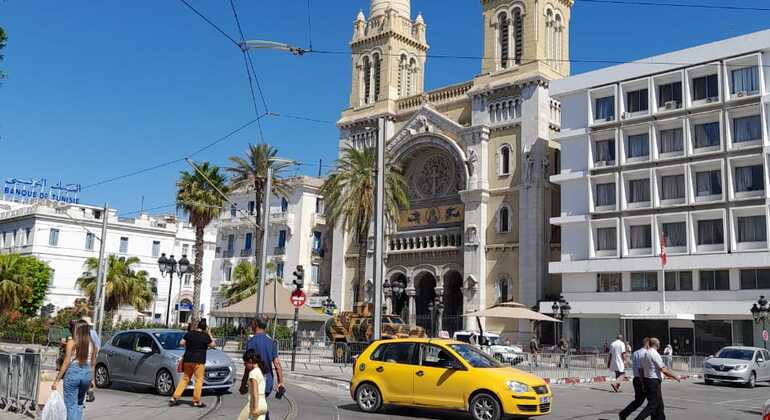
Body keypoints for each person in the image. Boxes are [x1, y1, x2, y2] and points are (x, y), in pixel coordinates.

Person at [51, 320, 96, 420]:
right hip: (87, 374)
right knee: (79, 403)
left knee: (70, 405)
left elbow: (66, 363)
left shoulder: (72, 343)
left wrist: (56, 380)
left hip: (73, 373)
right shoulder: (93, 344)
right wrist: (92, 380)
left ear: (77, 330)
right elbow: (93, 364)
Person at [244, 317, 285, 420]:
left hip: (256, 381)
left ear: (256, 325)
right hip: (268, 382)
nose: (251, 325)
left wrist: (243, 382)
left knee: (255, 409)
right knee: (260, 405)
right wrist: (280, 382)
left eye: (252, 323)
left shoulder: (251, 342)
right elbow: (277, 364)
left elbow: (248, 365)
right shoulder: (271, 342)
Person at [169, 318, 215, 408]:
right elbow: (213, 345)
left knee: (185, 379)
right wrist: (209, 333)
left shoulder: (189, 333)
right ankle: (196, 401)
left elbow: (181, 343)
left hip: (188, 359)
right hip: (199, 361)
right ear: (205, 327)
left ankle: (174, 398)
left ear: (198, 326)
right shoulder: (205, 336)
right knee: (199, 380)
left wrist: (190, 345)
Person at [634, 337, 681, 420]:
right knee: (652, 406)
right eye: (659, 344)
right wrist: (675, 376)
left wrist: (642, 382)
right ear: (657, 344)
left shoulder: (644, 354)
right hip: (653, 382)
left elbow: (640, 370)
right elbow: (663, 369)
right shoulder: (654, 354)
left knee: (659, 407)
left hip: (647, 380)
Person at [619, 337, 650, 420]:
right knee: (652, 402)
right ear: (647, 344)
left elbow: (633, 364)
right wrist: (643, 382)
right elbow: (641, 369)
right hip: (643, 378)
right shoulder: (646, 353)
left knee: (638, 401)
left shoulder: (636, 353)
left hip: (636, 379)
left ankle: (624, 413)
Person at [237, 349, 269, 420]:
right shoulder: (261, 371)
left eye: (245, 363)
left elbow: (255, 393)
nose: (244, 365)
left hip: (254, 404)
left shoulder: (253, 373)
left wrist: (255, 408)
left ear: (250, 361)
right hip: (263, 404)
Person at [80, 316, 101, 403]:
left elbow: (97, 347)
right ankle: (89, 391)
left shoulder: (81, 333)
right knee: (88, 377)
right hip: (89, 360)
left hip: (83, 360)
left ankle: (87, 392)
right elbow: (98, 346)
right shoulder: (93, 333)